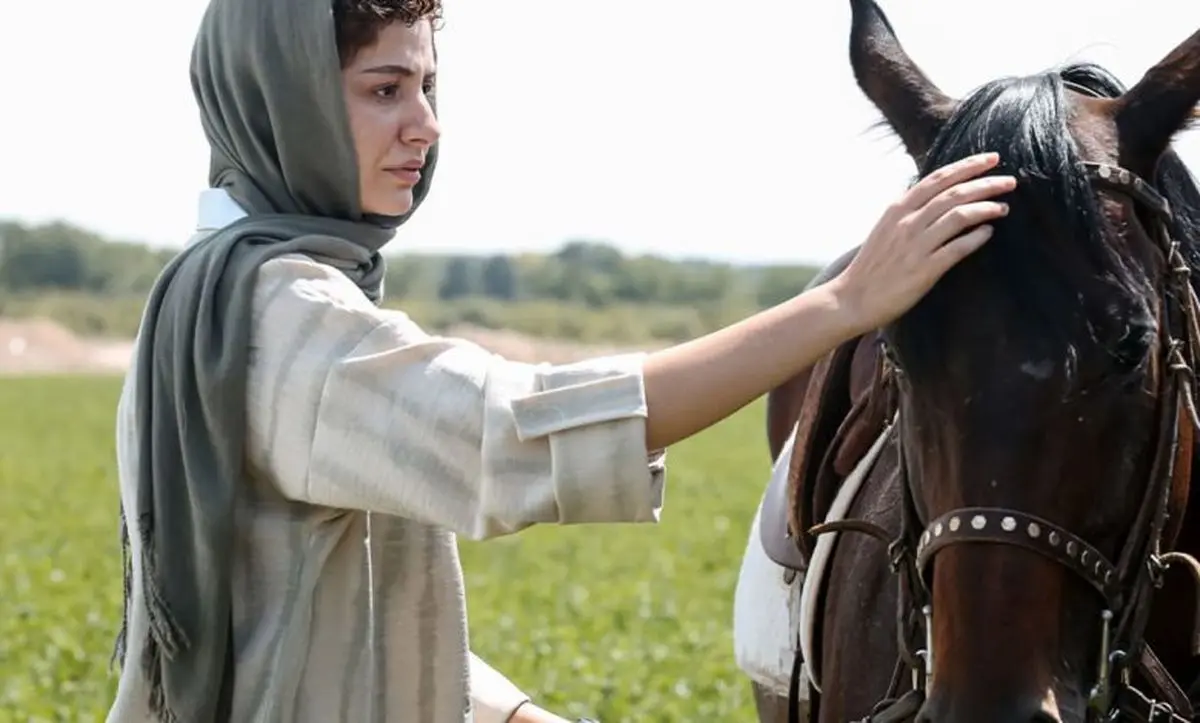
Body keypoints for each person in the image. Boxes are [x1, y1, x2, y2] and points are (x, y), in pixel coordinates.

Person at [104, 0, 1016, 721]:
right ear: (285, 101)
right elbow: (507, 434)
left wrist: (511, 713)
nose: (425, 125)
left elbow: (306, 622)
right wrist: (844, 304)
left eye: (428, 87)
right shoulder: (280, 318)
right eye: (385, 90)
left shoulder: (200, 304)